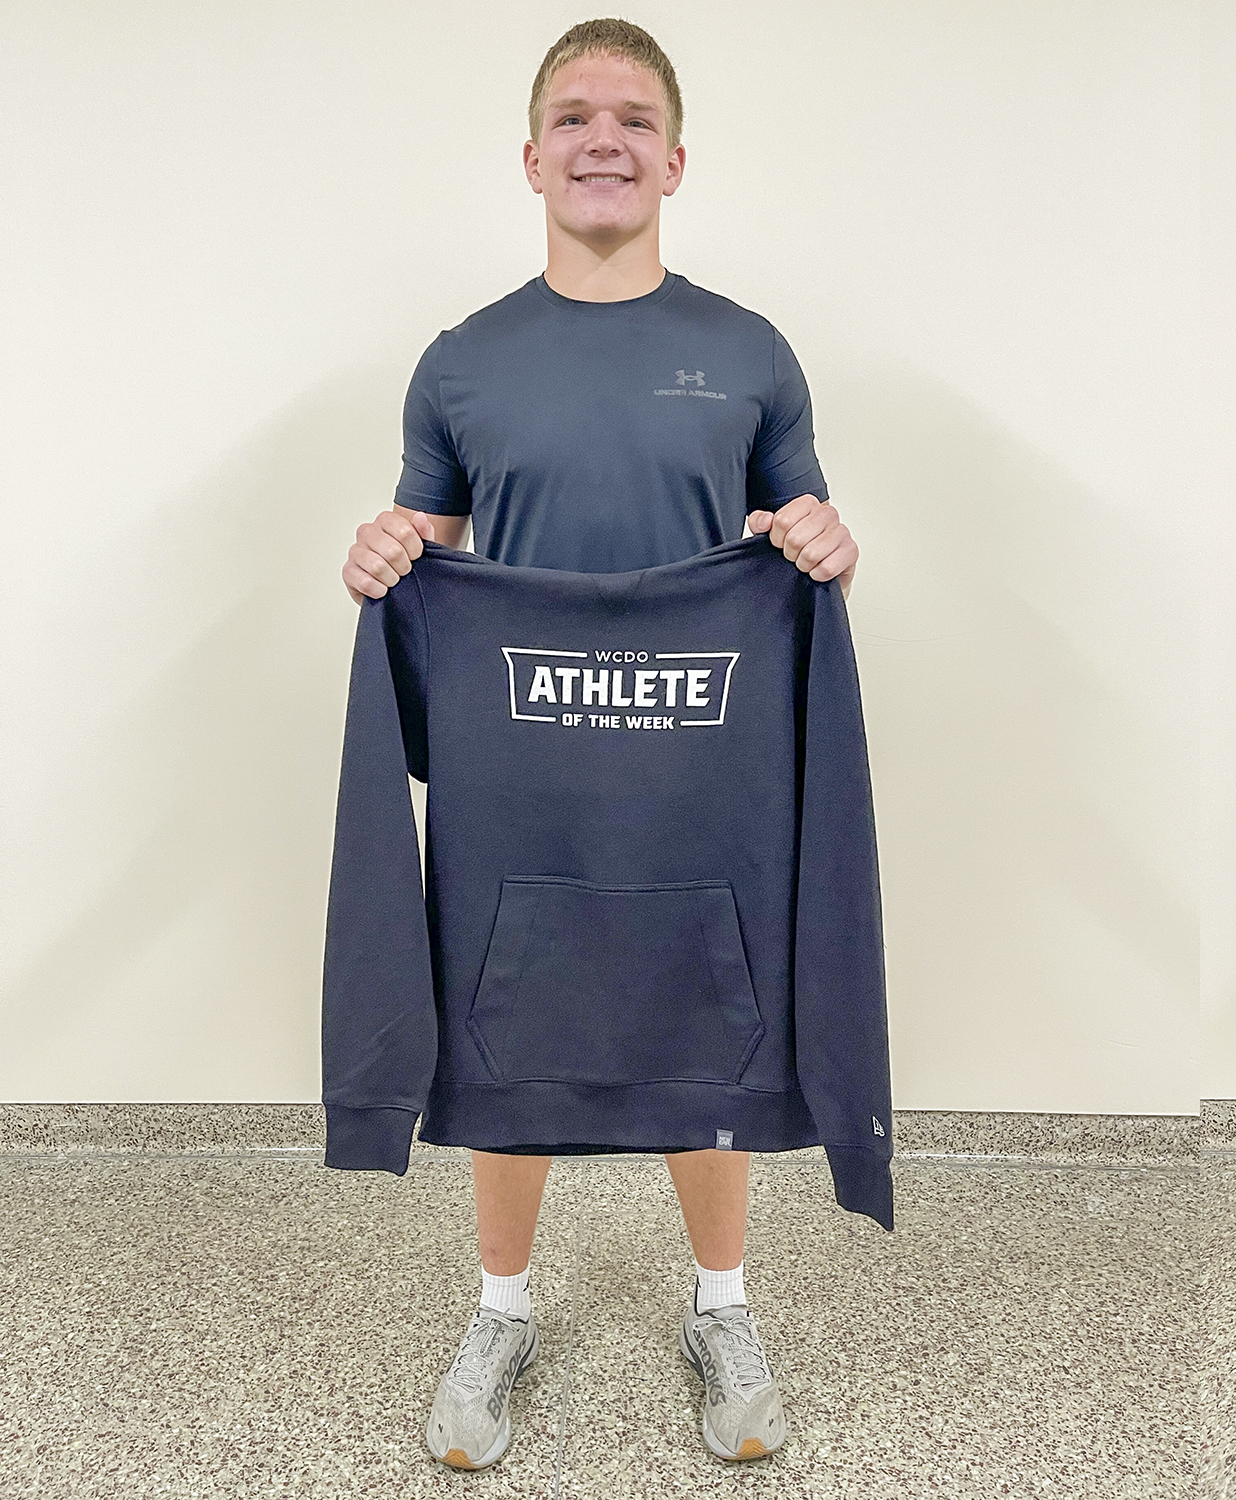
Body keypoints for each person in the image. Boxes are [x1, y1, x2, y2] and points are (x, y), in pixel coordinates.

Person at [339, 18, 858, 1471]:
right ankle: (502, 1310)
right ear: (531, 158)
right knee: (508, 1022)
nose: (603, 139)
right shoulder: (463, 364)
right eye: (574, 117)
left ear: (676, 160)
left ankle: (723, 1307)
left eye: (632, 118)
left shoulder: (747, 351)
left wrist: (824, 538)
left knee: (710, 1018)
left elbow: (797, 539)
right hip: (527, 770)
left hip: (702, 768)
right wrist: (391, 547)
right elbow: (434, 549)